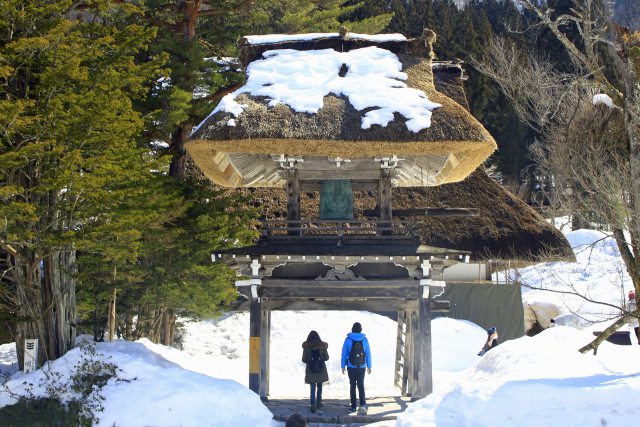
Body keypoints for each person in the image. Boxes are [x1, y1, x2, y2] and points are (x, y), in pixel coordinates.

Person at [341, 322, 372, 415]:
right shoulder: (364, 339)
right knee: (361, 385)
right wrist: (369, 366)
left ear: (352, 329)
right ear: (360, 330)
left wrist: (343, 366)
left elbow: (344, 354)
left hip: (351, 366)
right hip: (362, 366)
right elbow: (368, 354)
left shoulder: (348, 339)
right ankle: (362, 405)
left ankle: (353, 406)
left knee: (352, 386)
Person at [302, 330, 329, 414]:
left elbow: (304, 360)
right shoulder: (322, 345)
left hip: (311, 370)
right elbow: (326, 358)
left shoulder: (306, 346)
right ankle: (319, 404)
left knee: (312, 389)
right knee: (320, 387)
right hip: (321, 369)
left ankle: (313, 405)